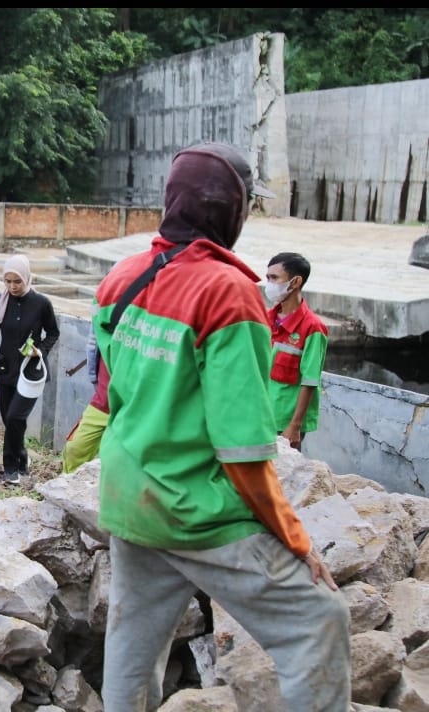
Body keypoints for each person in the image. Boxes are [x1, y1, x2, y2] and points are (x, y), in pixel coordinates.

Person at [92, 141, 349, 711]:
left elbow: (114, 389)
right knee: (320, 620)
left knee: (132, 653)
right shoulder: (231, 294)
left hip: (129, 494)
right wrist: (296, 539)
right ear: (227, 209)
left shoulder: (123, 278)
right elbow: (243, 450)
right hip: (194, 508)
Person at [0, 255, 60, 485]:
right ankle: (22, 457)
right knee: (12, 421)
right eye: (7, 281)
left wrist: (39, 351)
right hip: (5, 370)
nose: (12, 287)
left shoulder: (42, 303)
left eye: (17, 282)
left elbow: (53, 333)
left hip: (30, 374)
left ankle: (10, 468)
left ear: (27, 278)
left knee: (15, 417)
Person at [264, 252, 328, 451]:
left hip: (284, 421)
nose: (269, 284)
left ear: (296, 282)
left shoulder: (312, 328)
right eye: (267, 278)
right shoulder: (265, 318)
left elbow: (309, 381)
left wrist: (295, 426)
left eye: (274, 278)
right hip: (260, 414)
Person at [59, 328, 109, 474]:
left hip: (134, 405)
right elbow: (94, 341)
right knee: (74, 448)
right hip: (104, 399)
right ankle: (68, 489)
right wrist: (95, 380)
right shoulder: (105, 307)